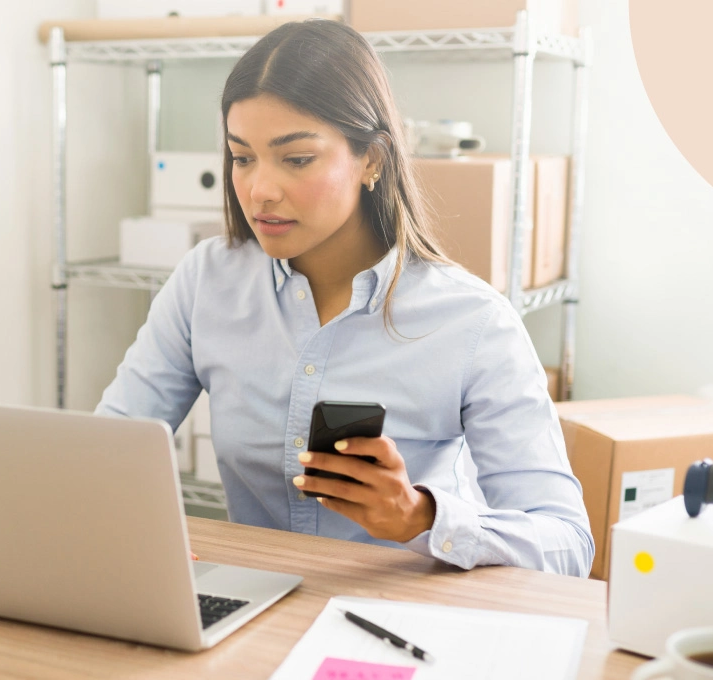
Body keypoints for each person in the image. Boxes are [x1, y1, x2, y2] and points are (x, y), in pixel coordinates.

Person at [95, 19, 593, 576]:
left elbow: (568, 544)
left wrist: (420, 517)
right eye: (242, 157)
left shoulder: (475, 322)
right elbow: (108, 452)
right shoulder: (206, 281)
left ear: (372, 159)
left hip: (406, 618)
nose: (259, 189)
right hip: (254, 609)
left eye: (297, 158)